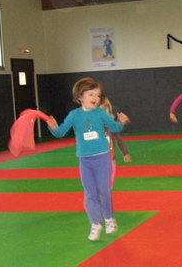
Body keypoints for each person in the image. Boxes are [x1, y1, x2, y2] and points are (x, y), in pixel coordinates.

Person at [47, 78, 130, 241]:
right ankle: (95, 223)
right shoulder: (74, 115)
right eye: (91, 94)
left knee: (104, 191)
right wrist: (54, 127)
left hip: (102, 157)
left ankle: (109, 218)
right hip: (85, 160)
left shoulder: (100, 113)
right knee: (90, 193)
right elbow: (60, 132)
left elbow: (114, 128)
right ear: (80, 97)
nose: (95, 98)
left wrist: (121, 123)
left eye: (97, 95)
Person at [99, 97, 131, 190]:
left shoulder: (112, 125)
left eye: (105, 109)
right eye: (99, 110)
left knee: (110, 183)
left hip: (111, 158)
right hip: (98, 158)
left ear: (109, 110)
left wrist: (125, 153)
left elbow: (119, 139)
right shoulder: (93, 125)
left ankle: (104, 198)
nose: (102, 112)